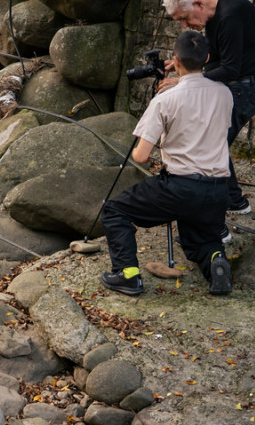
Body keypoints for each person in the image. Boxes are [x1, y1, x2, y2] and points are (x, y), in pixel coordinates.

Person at [100, 30, 233, 296]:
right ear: (207, 58)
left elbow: (139, 156)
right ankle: (216, 260)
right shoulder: (225, 94)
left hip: (180, 187)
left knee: (115, 211)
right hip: (219, 189)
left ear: (175, 60)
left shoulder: (165, 100)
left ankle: (127, 275)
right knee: (201, 239)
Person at [159, 0, 255, 217]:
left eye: (185, 18)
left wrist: (182, 81)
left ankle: (222, 207)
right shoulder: (214, 15)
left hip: (245, 87)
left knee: (211, 143)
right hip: (234, 84)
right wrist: (181, 64)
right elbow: (215, 57)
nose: (184, 25)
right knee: (213, 143)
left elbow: (230, 69)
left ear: (198, 4)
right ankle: (233, 201)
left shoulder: (230, 16)